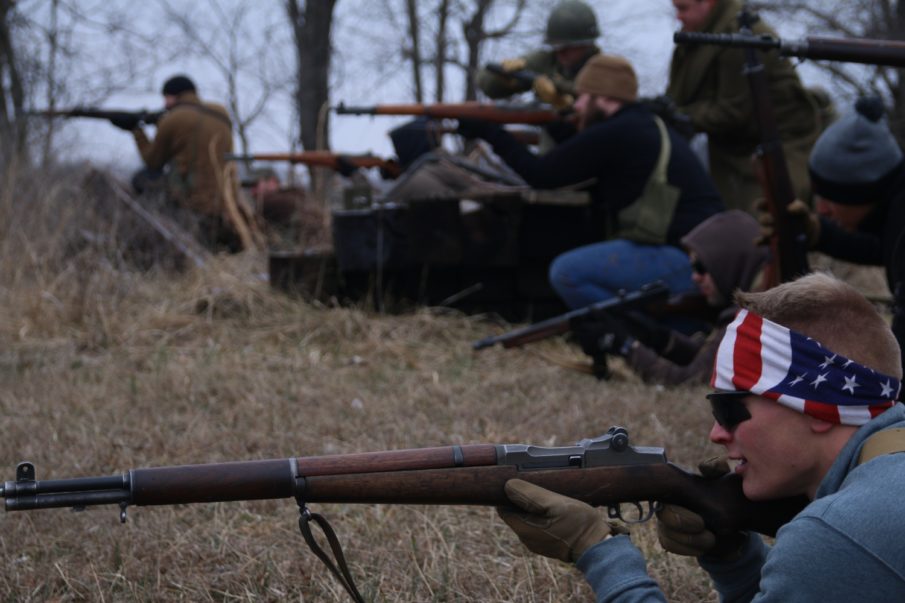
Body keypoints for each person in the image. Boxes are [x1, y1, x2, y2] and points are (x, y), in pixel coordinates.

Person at [498, 272, 905, 600]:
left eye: (729, 410)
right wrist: (736, 559)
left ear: (818, 407)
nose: (715, 434)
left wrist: (598, 551)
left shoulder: (835, 535)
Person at [459, 54, 724, 310]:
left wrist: (490, 131)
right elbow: (577, 153)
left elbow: (541, 175)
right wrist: (552, 122)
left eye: (584, 96)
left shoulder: (618, 131)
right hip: (702, 259)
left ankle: (632, 337)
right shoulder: (640, 124)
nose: (577, 105)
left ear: (606, 98)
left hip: (684, 263)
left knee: (567, 273)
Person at [760, 96, 905, 371]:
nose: (822, 210)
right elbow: (881, 248)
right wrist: (818, 233)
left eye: (831, 197)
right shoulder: (895, 213)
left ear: (862, 193)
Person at [574, 209, 769, 384]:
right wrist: (657, 337)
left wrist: (627, 346)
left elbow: (687, 380)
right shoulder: (753, 305)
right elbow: (704, 358)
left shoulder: (747, 318)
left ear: (730, 263)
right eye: (693, 268)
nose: (695, 277)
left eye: (701, 268)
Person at [667, 0, 826, 213]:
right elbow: (680, 93)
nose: (678, 17)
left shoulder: (740, 36)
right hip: (736, 151)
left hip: (779, 149)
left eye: (683, 8)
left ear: (708, 3)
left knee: (767, 226)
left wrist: (678, 116)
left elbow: (732, 112)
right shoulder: (699, 37)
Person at [113, 75, 240, 252]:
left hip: (194, 202)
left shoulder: (173, 118)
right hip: (226, 203)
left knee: (141, 179)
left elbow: (153, 162)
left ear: (174, 96)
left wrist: (137, 131)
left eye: (166, 98)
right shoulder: (220, 112)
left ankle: (162, 232)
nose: (165, 104)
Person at [475, 0, 601, 110]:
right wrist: (506, 79)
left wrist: (560, 99)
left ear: (587, 45)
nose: (561, 53)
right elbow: (484, 82)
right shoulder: (548, 61)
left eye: (567, 47)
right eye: (556, 47)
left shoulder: (603, 71)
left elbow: (604, 109)